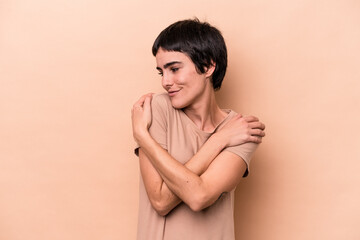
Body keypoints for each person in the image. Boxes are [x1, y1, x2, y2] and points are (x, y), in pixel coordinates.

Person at [131, 18, 265, 240]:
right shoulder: (157, 109)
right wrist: (219, 141)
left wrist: (142, 136)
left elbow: (199, 196)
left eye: (174, 69)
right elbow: (160, 201)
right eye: (161, 72)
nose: (165, 81)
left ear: (208, 66)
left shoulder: (241, 130)